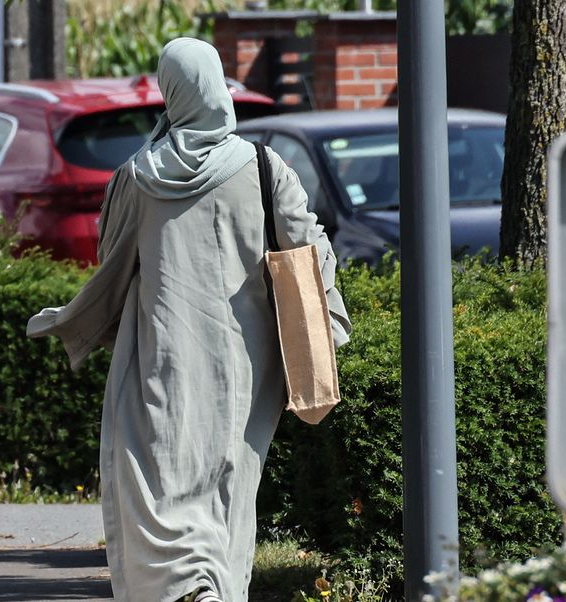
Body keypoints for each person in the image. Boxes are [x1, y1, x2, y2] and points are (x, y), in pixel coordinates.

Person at [26, 38, 351, 602]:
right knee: (228, 484)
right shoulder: (263, 167)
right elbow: (306, 244)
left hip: (162, 359)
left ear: (171, 90)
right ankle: (216, 589)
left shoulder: (137, 176)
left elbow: (113, 262)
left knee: (160, 485)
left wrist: (75, 318)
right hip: (245, 368)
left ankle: (181, 588)